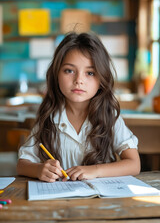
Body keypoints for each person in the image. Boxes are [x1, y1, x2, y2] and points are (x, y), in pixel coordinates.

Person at [17, 32, 140, 182]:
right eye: (69, 70)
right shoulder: (49, 116)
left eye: (90, 73)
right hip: (59, 201)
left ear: (102, 78)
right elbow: (22, 164)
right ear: (56, 74)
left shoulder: (109, 115)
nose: (79, 80)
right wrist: (38, 169)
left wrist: (95, 170)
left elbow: (134, 164)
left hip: (101, 202)